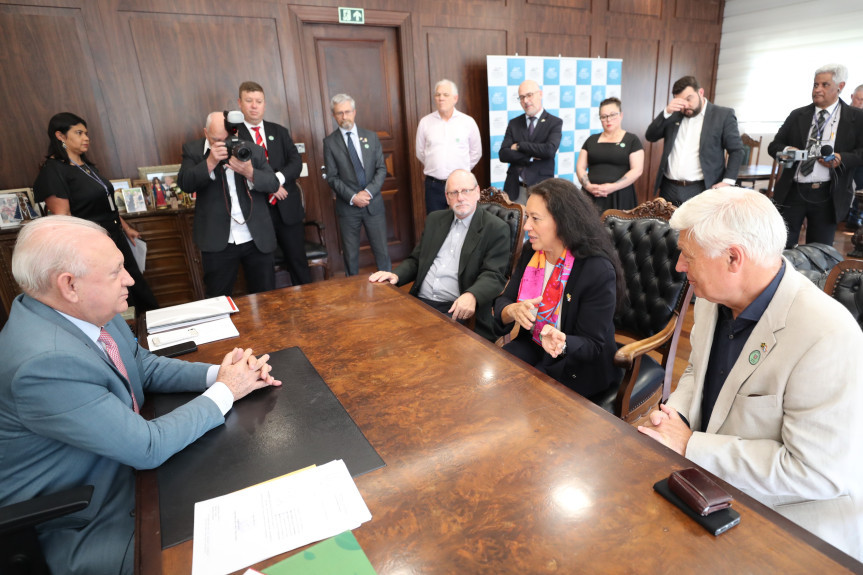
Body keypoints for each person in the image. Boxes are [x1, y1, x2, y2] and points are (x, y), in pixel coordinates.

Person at [0, 215, 281, 575]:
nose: (130, 279)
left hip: (122, 468)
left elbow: (142, 367)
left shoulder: (86, 310)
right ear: (69, 285)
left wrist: (221, 376)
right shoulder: (43, 364)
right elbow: (146, 448)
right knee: (250, 541)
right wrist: (228, 391)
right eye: (117, 271)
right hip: (87, 515)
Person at [637, 188, 863, 561]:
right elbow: (697, 370)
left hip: (794, 524)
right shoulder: (714, 298)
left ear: (732, 258)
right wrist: (674, 414)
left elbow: (815, 474)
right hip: (712, 487)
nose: (679, 266)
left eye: (688, 255)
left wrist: (690, 444)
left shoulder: (827, 336)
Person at [493, 178, 625, 399]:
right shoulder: (532, 252)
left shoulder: (595, 269)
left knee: (530, 400)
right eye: (528, 217)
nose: (526, 227)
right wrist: (512, 311)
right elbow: (503, 303)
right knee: (499, 378)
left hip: (576, 361)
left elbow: (592, 345)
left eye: (535, 219)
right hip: (534, 344)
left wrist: (561, 343)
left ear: (562, 222)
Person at [33, 112, 158, 311]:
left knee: (135, 286)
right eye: (79, 133)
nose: (86, 138)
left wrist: (125, 228)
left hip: (114, 236)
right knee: (114, 292)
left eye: (87, 133)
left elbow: (105, 201)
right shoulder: (54, 170)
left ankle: (149, 333)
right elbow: (62, 218)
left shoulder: (87, 167)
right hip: (91, 244)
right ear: (60, 136)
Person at [368, 169, 509, 341]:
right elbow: (416, 260)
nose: (460, 198)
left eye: (466, 191)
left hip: (455, 309)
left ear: (477, 192)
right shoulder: (436, 220)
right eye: (454, 193)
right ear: (447, 197)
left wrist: (472, 295)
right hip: (419, 303)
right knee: (378, 328)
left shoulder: (495, 228)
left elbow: (494, 275)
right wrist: (395, 275)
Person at [177, 111, 279, 297]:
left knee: (266, 297)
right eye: (217, 139)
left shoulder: (252, 150)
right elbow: (185, 183)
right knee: (217, 298)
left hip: (256, 238)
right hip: (217, 240)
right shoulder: (193, 150)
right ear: (206, 133)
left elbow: (273, 183)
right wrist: (210, 162)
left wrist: (250, 172)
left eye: (228, 138)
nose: (224, 144)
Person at [768, 64, 863, 248]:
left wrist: (842, 158)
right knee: (781, 248)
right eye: (815, 85)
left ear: (840, 86)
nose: (817, 90)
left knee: (819, 253)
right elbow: (774, 146)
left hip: (828, 194)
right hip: (792, 192)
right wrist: (789, 151)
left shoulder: (856, 118)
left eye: (825, 85)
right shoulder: (798, 115)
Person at [235, 81, 311, 285]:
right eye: (249, 101)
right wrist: (269, 186)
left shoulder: (279, 131)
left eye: (258, 101)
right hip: (258, 210)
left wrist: (276, 181)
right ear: (240, 103)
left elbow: (295, 163)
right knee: (263, 269)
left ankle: (310, 306)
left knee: (298, 262)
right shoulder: (234, 136)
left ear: (264, 104)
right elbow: (238, 172)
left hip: (287, 207)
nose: (254, 105)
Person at [645, 75, 744, 206]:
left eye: (689, 99)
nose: (685, 105)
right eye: (680, 101)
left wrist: (728, 181)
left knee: (695, 227)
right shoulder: (674, 115)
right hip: (669, 187)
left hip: (701, 188)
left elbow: (736, 150)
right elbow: (650, 136)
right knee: (667, 226)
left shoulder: (722, 115)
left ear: (700, 92)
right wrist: (666, 112)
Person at [323, 93, 391, 276]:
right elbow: (332, 177)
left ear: (354, 112)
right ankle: (353, 295)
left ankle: (390, 292)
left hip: (373, 204)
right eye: (339, 113)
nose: (344, 117)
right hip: (348, 207)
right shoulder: (329, 143)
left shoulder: (371, 137)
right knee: (351, 257)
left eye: (347, 112)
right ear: (333, 115)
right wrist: (354, 197)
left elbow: (381, 169)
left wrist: (367, 193)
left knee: (382, 253)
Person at [415, 79, 482, 213]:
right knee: (436, 226)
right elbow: (420, 152)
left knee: (463, 223)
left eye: (445, 95)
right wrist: (436, 166)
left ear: (455, 98)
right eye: (438, 95)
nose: (441, 98)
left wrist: (461, 173)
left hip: (461, 187)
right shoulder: (425, 122)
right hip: (434, 186)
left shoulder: (468, 122)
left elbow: (476, 152)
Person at [498, 80, 563, 204]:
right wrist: (531, 157)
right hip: (514, 188)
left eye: (529, 95)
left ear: (540, 94)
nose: (526, 101)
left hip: (541, 189)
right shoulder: (514, 123)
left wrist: (519, 145)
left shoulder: (554, 122)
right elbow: (503, 154)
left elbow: (549, 151)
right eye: (522, 97)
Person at [576, 97, 645, 212]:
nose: (608, 120)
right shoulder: (591, 140)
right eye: (604, 116)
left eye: (613, 115)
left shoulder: (632, 140)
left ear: (621, 115)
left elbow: (637, 170)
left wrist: (613, 187)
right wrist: (588, 186)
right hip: (591, 195)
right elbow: (580, 167)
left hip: (620, 195)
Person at [844, 83, 863, 230]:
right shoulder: (843, 114)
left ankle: (855, 216)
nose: (861, 103)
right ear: (852, 97)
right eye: (859, 99)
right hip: (842, 157)